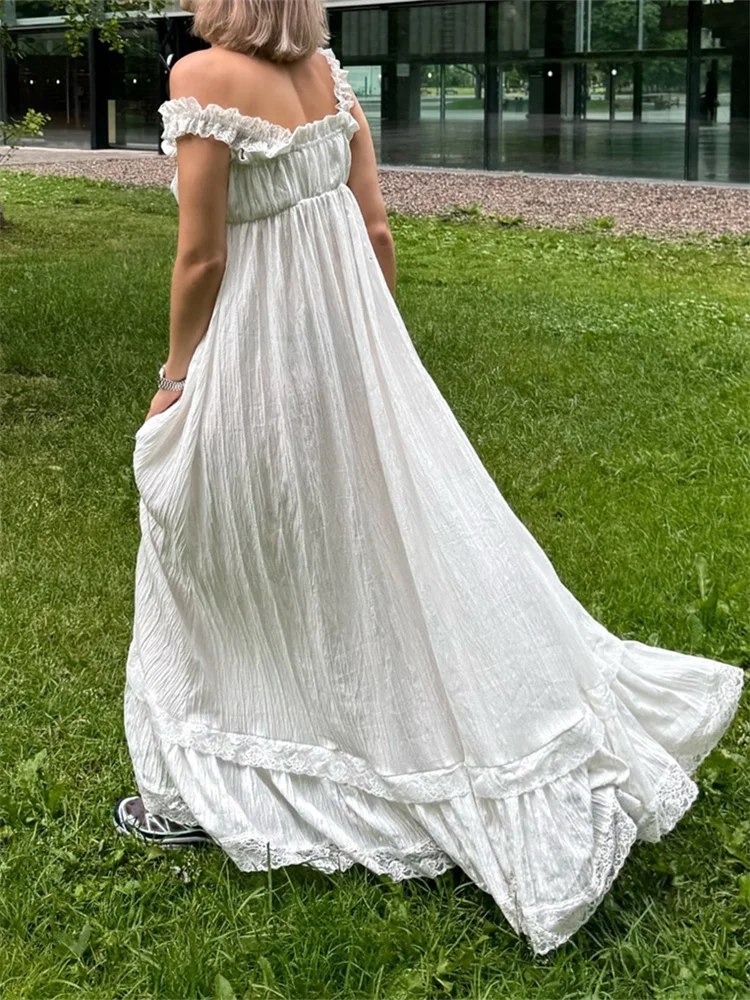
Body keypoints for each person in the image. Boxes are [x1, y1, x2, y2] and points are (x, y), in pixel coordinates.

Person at [115, 0, 745, 956]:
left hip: (256, 353)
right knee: (367, 537)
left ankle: (221, 769)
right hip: (352, 353)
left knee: (210, 535)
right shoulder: (329, 78)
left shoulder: (200, 79)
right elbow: (376, 233)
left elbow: (203, 256)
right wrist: (376, 360)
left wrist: (174, 379)